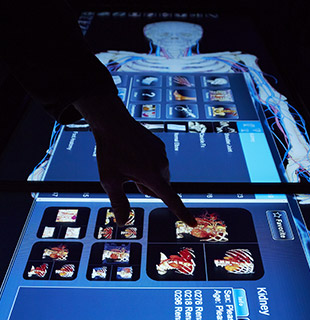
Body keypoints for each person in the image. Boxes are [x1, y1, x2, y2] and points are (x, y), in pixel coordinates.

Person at [0, 1, 196, 227]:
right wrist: (109, 121)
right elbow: (28, 20)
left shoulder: (233, 61)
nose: (173, 39)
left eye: (182, 35)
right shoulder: (119, 58)